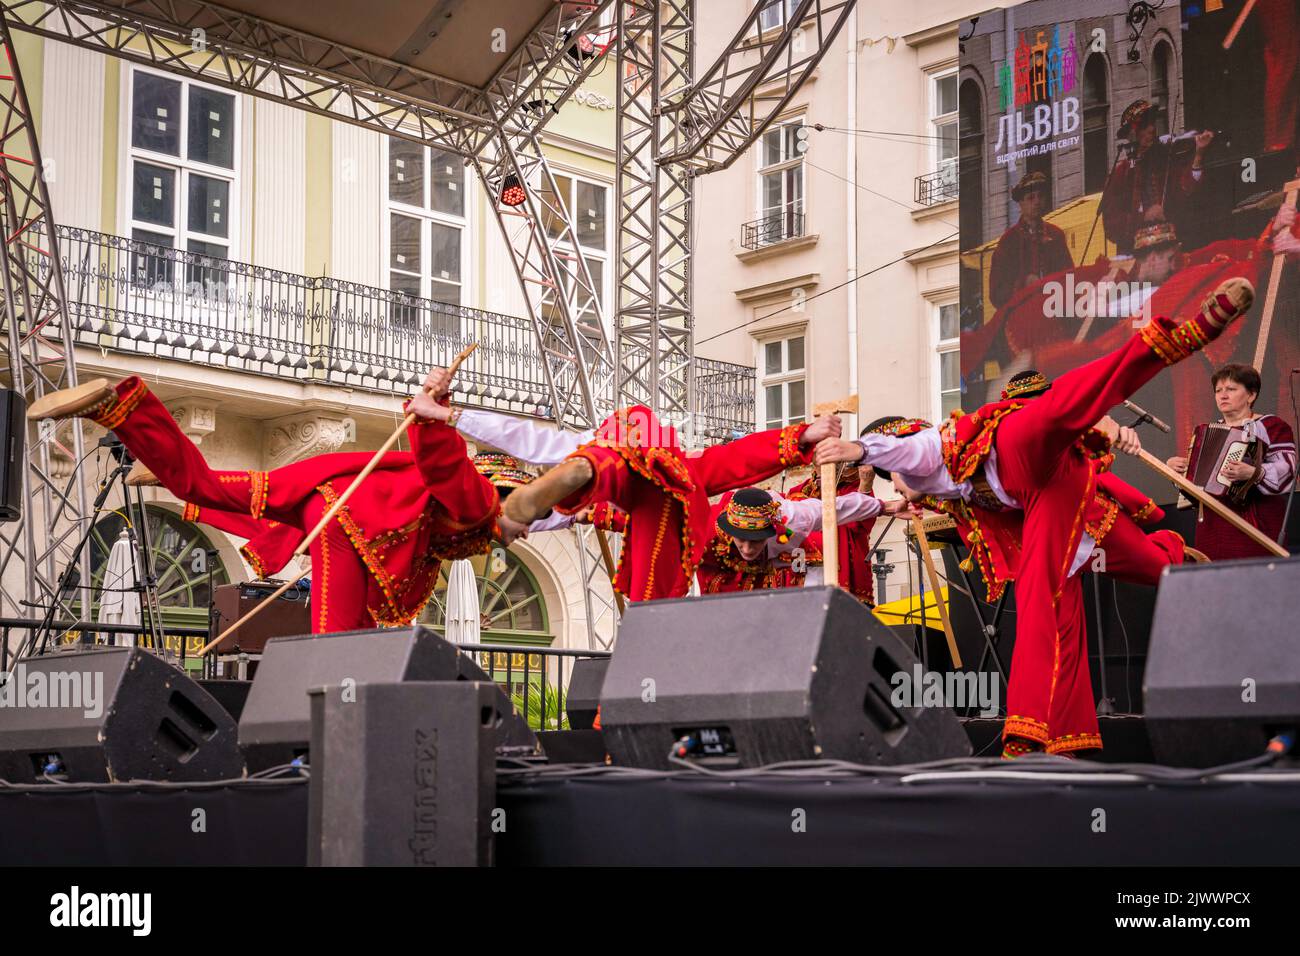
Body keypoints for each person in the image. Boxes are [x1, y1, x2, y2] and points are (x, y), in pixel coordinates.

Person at [817, 280, 1256, 758]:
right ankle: (1049, 737)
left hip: (1023, 461)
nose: (897, 489)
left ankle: (1183, 334)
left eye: (893, 480)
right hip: (1047, 505)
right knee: (1044, 605)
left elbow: (908, 447)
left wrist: (857, 448)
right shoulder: (927, 497)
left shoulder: (928, 453)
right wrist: (883, 502)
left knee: (1067, 421)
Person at [28, 375, 566, 634]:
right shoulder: (478, 507)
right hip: (343, 521)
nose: (525, 532)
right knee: (337, 639)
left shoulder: (471, 521)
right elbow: (445, 465)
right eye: (529, 519)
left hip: (327, 503)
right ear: (508, 499)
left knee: (203, 490)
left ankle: (126, 415)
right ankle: (327, 726)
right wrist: (434, 411)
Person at [416, 368, 843, 602]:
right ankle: (587, 470)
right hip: (661, 485)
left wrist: (450, 417)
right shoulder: (685, 475)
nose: (747, 547)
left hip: (626, 471)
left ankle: (586, 470)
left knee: (597, 468)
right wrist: (798, 437)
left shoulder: (617, 472)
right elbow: (730, 462)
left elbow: (535, 443)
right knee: (649, 590)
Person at [1167, 363, 1297, 559]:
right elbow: (1197, 487)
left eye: (1231, 389)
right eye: (1218, 390)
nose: (1222, 395)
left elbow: (1288, 470)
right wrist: (1177, 473)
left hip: (1256, 526)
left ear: (1251, 395)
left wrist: (1254, 473)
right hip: (1211, 528)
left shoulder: (1271, 426)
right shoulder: (1205, 432)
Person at [696, 484, 890, 594]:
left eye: (755, 540)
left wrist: (884, 507)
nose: (747, 548)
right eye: (742, 540)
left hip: (773, 561)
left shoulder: (792, 519)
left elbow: (837, 508)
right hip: (719, 570)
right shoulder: (701, 533)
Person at [1099, 99, 1213, 255]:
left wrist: (1199, 154)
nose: (1152, 128)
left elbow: (1187, 191)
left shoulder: (1165, 162)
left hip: (1170, 248)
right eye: (1145, 126)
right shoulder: (1121, 173)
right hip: (1136, 254)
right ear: (1133, 134)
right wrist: (1144, 217)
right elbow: (1111, 225)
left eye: (1152, 123)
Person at [787, 461, 883, 602]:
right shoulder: (799, 492)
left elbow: (860, 524)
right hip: (807, 571)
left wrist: (865, 486)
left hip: (843, 571)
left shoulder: (852, 486)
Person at [988, 171, 1074, 309]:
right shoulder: (1008, 241)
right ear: (1021, 203)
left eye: (1040, 196)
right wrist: (1024, 283)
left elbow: (1069, 277)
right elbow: (996, 293)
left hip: (1053, 312)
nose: (1037, 202)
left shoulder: (1056, 235)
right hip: (1020, 316)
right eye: (1031, 197)